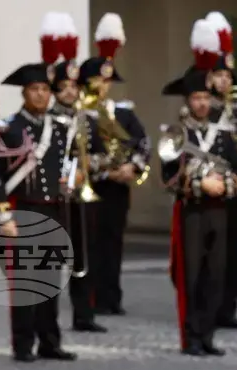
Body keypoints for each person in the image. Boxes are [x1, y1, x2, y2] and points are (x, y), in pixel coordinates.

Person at [0, 13, 80, 362]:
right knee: (26, 283)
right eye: (34, 90)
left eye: (44, 89)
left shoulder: (60, 128)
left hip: (53, 210)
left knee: (50, 281)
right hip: (22, 211)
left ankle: (50, 341)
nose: (40, 95)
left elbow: (67, 163)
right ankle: (23, 344)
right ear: (24, 93)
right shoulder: (9, 129)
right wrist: (2, 215)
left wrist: (72, 181)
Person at [161, 19, 237, 357]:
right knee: (191, 275)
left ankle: (208, 335)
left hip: (220, 210)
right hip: (191, 212)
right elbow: (168, 176)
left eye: (205, 97)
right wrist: (200, 183)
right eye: (196, 97)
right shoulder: (176, 133)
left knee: (215, 274)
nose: (201, 103)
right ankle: (191, 337)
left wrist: (226, 183)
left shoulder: (224, 133)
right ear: (188, 100)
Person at [79, 12, 151, 316]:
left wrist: (132, 167)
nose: (103, 85)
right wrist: (106, 169)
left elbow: (143, 142)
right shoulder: (80, 115)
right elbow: (77, 152)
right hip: (92, 187)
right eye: (98, 79)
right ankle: (90, 299)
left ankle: (112, 296)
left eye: (107, 80)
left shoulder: (122, 113)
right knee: (91, 244)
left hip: (119, 189)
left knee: (114, 241)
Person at [49, 24, 108, 334]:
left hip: (80, 197)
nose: (70, 92)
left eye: (74, 86)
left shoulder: (86, 120)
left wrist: (87, 166)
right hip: (53, 197)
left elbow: (103, 155)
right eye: (64, 87)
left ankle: (84, 315)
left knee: (84, 257)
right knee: (50, 261)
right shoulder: (48, 120)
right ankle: (47, 322)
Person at [204, 10, 237, 330]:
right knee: (212, 253)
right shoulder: (203, 109)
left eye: (227, 75)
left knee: (234, 249)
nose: (224, 80)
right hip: (211, 184)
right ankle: (209, 307)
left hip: (236, 187)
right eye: (219, 75)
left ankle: (228, 309)